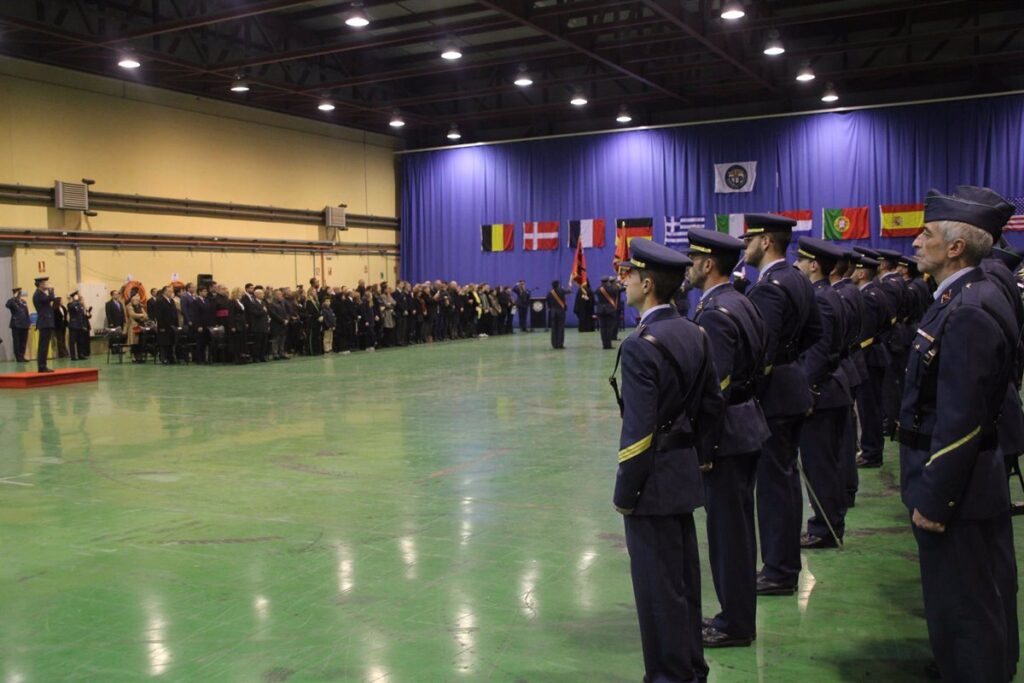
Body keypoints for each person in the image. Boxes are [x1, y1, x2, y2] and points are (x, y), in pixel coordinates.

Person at [900, 186, 1018, 682]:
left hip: (958, 489)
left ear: (955, 248)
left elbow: (961, 419)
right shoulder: (965, 296)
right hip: (970, 482)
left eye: (926, 233)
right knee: (976, 599)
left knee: (965, 608)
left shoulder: (967, 308)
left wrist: (935, 499)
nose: (915, 242)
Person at [610, 238, 723, 683]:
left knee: (657, 591)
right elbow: (713, 407)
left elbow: (637, 435)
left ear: (648, 282)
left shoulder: (642, 344)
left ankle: (669, 675)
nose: (624, 283)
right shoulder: (695, 330)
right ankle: (692, 666)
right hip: (683, 473)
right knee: (684, 585)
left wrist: (626, 492)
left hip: (652, 483)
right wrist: (700, 457)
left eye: (629, 275)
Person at [685, 229, 769, 649]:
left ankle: (734, 623)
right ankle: (738, 615)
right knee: (739, 530)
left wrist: (704, 447)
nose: (689, 265)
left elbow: (713, 390)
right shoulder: (742, 301)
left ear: (708, 264)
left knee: (728, 536)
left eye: (693, 258)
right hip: (747, 425)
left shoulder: (716, 312)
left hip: (726, 437)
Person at [741, 213, 822, 595]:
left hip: (773, 395)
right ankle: (783, 564)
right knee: (784, 480)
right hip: (791, 385)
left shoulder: (769, 288)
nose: (745, 246)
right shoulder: (798, 279)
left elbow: (761, 348)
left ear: (766, 241)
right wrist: (789, 362)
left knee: (774, 485)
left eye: (749, 239)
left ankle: (778, 570)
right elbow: (815, 333)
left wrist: (752, 383)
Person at [794, 237, 854, 550]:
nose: (797, 266)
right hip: (834, 386)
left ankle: (825, 528)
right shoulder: (831, 295)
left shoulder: (819, 299)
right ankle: (830, 522)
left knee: (820, 465)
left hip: (822, 392)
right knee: (828, 462)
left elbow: (818, 352)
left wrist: (804, 391)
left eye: (801, 261)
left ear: (814, 265)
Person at [851, 248, 894, 468]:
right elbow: (888, 323)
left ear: (862, 273)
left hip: (868, 357)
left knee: (868, 409)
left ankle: (870, 452)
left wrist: (857, 350)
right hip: (878, 354)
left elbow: (865, 334)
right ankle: (873, 449)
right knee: (874, 407)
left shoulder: (867, 297)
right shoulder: (877, 292)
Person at [32, 277, 56, 373]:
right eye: (45, 283)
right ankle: (42, 366)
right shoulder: (38, 294)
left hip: (46, 322)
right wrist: (51, 290)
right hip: (44, 322)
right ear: (40, 284)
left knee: (44, 345)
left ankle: (43, 365)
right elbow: (51, 298)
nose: (47, 284)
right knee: (43, 346)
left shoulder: (41, 294)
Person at [153, 285, 179, 365]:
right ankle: (163, 358)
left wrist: (176, 325)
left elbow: (175, 313)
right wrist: (161, 326)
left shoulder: (171, 301)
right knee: (164, 343)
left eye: (171, 291)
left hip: (172, 326)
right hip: (164, 326)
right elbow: (159, 315)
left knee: (171, 343)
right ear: (164, 292)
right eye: (169, 291)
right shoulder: (160, 301)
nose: (171, 293)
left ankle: (171, 358)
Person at [6, 287, 30, 362]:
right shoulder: (12, 301)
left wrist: (28, 322)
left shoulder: (23, 301)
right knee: (17, 341)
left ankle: (22, 356)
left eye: (20, 292)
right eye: (18, 292)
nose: (20, 294)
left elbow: (26, 312)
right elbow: (7, 305)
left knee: (23, 341)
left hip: (24, 324)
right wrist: (14, 297)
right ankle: (18, 357)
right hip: (16, 324)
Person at [124, 293, 150, 363]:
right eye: (135, 296)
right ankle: (134, 357)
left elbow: (146, 316)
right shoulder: (129, 306)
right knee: (134, 343)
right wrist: (142, 315)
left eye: (138, 296)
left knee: (141, 342)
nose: (137, 298)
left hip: (141, 326)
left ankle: (140, 356)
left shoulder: (141, 306)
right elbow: (133, 315)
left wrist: (142, 317)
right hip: (134, 327)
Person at [67, 291, 92, 360]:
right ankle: (73, 356)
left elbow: (83, 316)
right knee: (72, 341)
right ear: (74, 297)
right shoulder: (70, 304)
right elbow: (72, 307)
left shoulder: (81, 305)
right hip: (74, 325)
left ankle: (80, 354)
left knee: (80, 341)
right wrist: (76, 301)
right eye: (77, 295)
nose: (79, 296)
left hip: (80, 325)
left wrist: (84, 325)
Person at [596, 276, 618, 349]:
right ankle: (608, 345)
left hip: (600, 310)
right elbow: (616, 292)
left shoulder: (598, 289)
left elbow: (595, 293)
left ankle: (604, 344)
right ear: (608, 281)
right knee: (609, 328)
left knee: (602, 328)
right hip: (609, 310)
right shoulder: (612, 288)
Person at [546, 280, 569, 349]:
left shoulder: (549, 293)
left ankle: (554, 344)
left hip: (553, 312)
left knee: (554, 329)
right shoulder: (561, 291)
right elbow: (569, 291)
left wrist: (552, 308)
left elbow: (548, 303)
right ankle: (560, 344)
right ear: (558, 285)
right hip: (561, 312)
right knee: (560, 328)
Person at [268, 288, 290, 360]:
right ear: (275, 295)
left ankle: (281, 352)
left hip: (283, 324)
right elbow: (274, 314)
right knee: (276, 339)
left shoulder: (283, 303)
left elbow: (287, 312)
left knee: (283, 339)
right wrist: (282, 320)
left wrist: (287, 319)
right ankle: (275, 353)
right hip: (276, 324)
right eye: (279, 294)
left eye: (281, 294)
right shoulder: (271, 304)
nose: (280, 296)